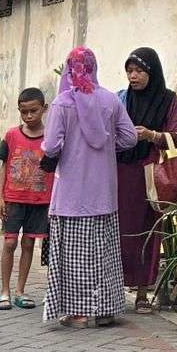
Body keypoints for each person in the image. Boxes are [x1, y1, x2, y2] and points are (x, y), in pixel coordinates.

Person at [40, 46, 139, 329]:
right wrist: (108, 148)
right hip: (104, 193)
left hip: (71, 194)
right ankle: (105, 309)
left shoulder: (62, 103)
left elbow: (52, 146)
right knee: (103, 253)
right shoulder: (110, 100)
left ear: (69, 69)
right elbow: (130, 138)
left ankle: (78, 313)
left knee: (74, 256)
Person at [117, 47, 177, 314]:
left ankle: (143, 293)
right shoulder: (121, 99)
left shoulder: (168, 100)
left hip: (148, 175)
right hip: (120, 172)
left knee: (147, 232)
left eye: (139, 71)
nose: (133, 76)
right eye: (129, 71)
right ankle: (115, 289)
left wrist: (152, 136)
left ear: (152, 72)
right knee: (118, 231)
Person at [0, 87, 54, 311]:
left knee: (29, 243)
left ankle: (20, 290)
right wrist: (0, 196)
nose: (29, 116)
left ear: (44, 109)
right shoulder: (11, 135)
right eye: (24, 112)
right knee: (10, 242)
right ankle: (4, 291)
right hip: (13, 198)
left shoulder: (51, 138)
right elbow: (4, 166)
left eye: (33, 111)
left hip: (39, 200)